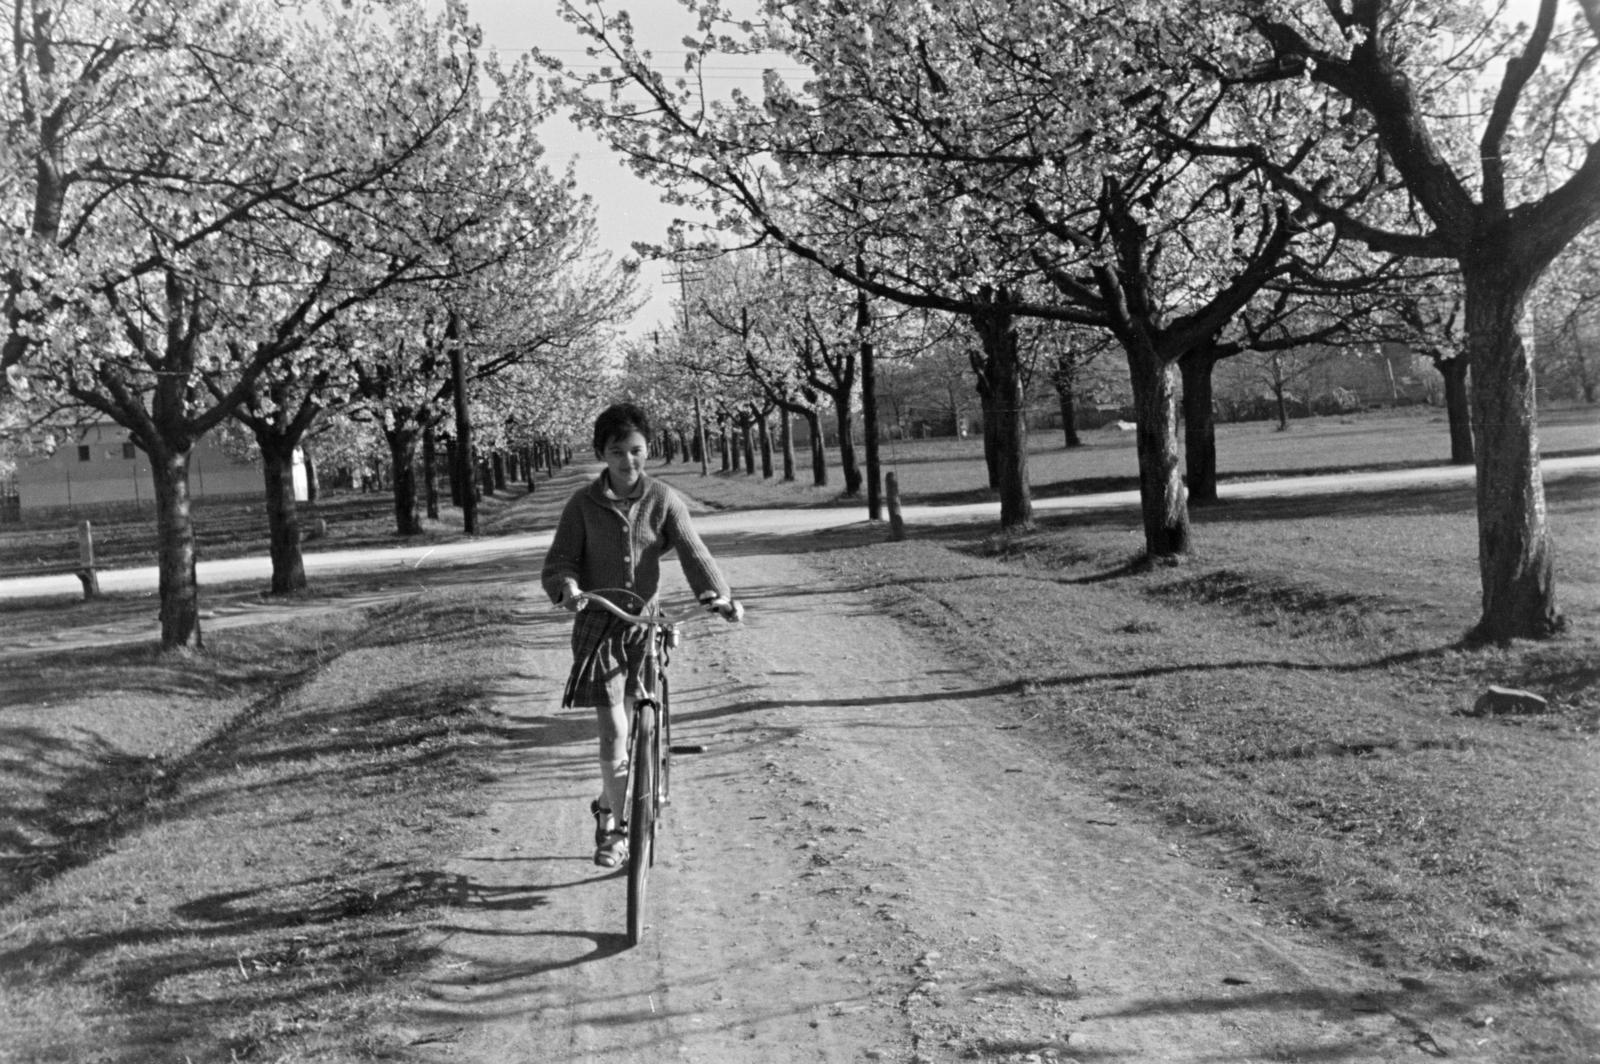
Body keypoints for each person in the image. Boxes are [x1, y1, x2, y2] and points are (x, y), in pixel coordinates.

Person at [540, 402, 741, 868]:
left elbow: (694, 553)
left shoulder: (664, 499)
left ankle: (608, 805)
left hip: (646, 625)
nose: (628, 462)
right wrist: (567, 587)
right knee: (613, 728)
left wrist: (719, 596)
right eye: (617, 452)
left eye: (636, 451)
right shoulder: (582, 505)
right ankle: (618, 833)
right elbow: (560, 561)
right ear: (600, 454)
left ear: (647, 450)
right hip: (599, 622)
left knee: (636, 714)